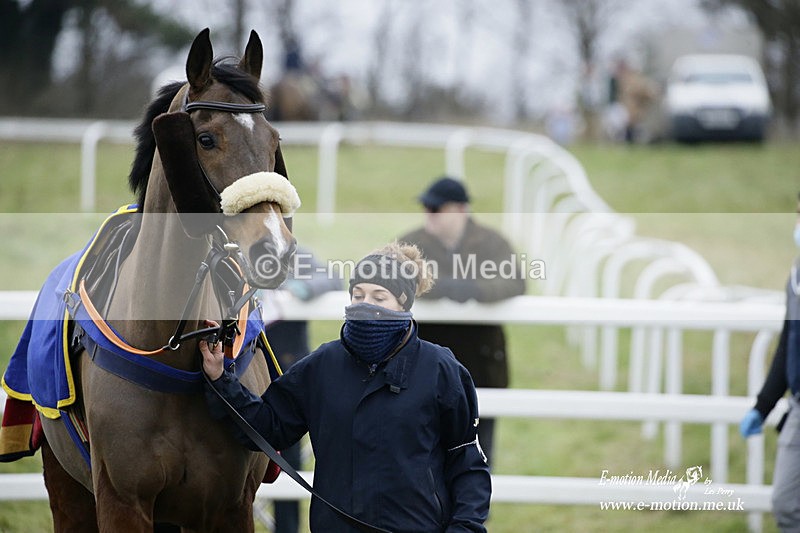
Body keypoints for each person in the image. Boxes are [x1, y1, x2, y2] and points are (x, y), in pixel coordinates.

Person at [201, 242, 491, 532]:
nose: (366, 305)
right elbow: (269, 426)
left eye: (380, 297)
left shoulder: (441, 369)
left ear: (403, 303)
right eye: (358, 295)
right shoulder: (320, 366)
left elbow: (467, 465)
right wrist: (221, 381)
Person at [398, 176, 526, 466]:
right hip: (425, 362)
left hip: (481, 362)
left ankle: (475, 511)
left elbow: (515, 282)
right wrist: (442, 287)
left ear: (460, 210)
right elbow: (392, 276)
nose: (428, 214)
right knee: (423, 453)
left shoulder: (493, 243)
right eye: (426, 208)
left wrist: (474, 290)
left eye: (436, 208)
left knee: (477, 456)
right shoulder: (412, 242)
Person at [259, 247, 341, 533]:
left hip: (286, 372)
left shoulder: (292, 254)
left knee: (288, 463)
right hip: (240, 370)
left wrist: (298, 289)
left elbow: (331, 277)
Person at [740, 192, 800, 531]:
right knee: (785, 504)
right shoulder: (795, 277)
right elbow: (787, 345)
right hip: (798, 408)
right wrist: (763, 406)